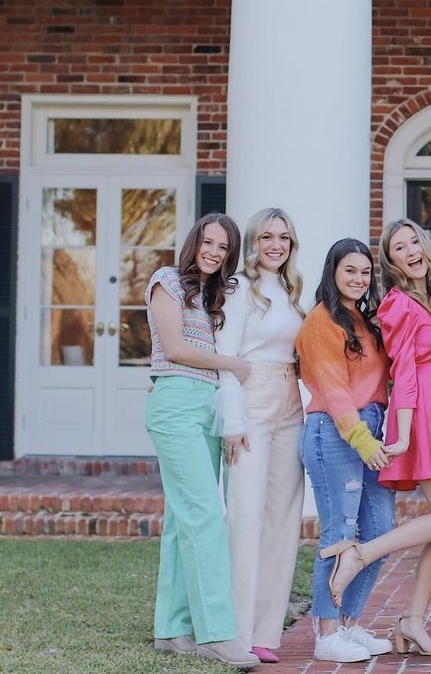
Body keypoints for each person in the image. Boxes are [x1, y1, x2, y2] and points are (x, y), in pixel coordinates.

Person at [317, 218, 431, 658]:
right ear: (391, 261)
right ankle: (359, 556)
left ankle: (412, 621)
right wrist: (403, 432)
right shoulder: (397, 305)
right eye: (399, 247)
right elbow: (405, 371)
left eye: (414, 240)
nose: (410, 250)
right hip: (423, 418)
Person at [144, 212, 259, 670]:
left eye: (222, 248)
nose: (213, 252)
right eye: (207, 243)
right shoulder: (166, 281)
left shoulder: (214, 296)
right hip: (174, 404)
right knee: (206, 515)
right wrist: (231, 363)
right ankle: (216, 634)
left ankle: (172, 628)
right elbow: (173, 349)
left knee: (181, 519)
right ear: (194, 242)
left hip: (206, 406)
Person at [295, 238, 395, 663]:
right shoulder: (322, 321)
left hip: (369, 430)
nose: (358, 279)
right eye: (349, 270)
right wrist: (362, 439)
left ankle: (350, 625)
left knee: (379, 532)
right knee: (339, 534)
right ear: (333, 272)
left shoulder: (365, 318)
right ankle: (327, 633)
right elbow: (334, 391)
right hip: (336, 434)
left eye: (365, 272)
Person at [215, 208, 306, 665]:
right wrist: (232, 421)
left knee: (282, 516)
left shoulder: (293, 290)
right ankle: (236, 630)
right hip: (251, 402)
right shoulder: (237, 291)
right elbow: (225, 357)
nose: (276, 245)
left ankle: (267, 630)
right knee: (246, 515)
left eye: (284, 237)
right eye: (267, 236)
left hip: (292, 401)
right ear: (252, 242)